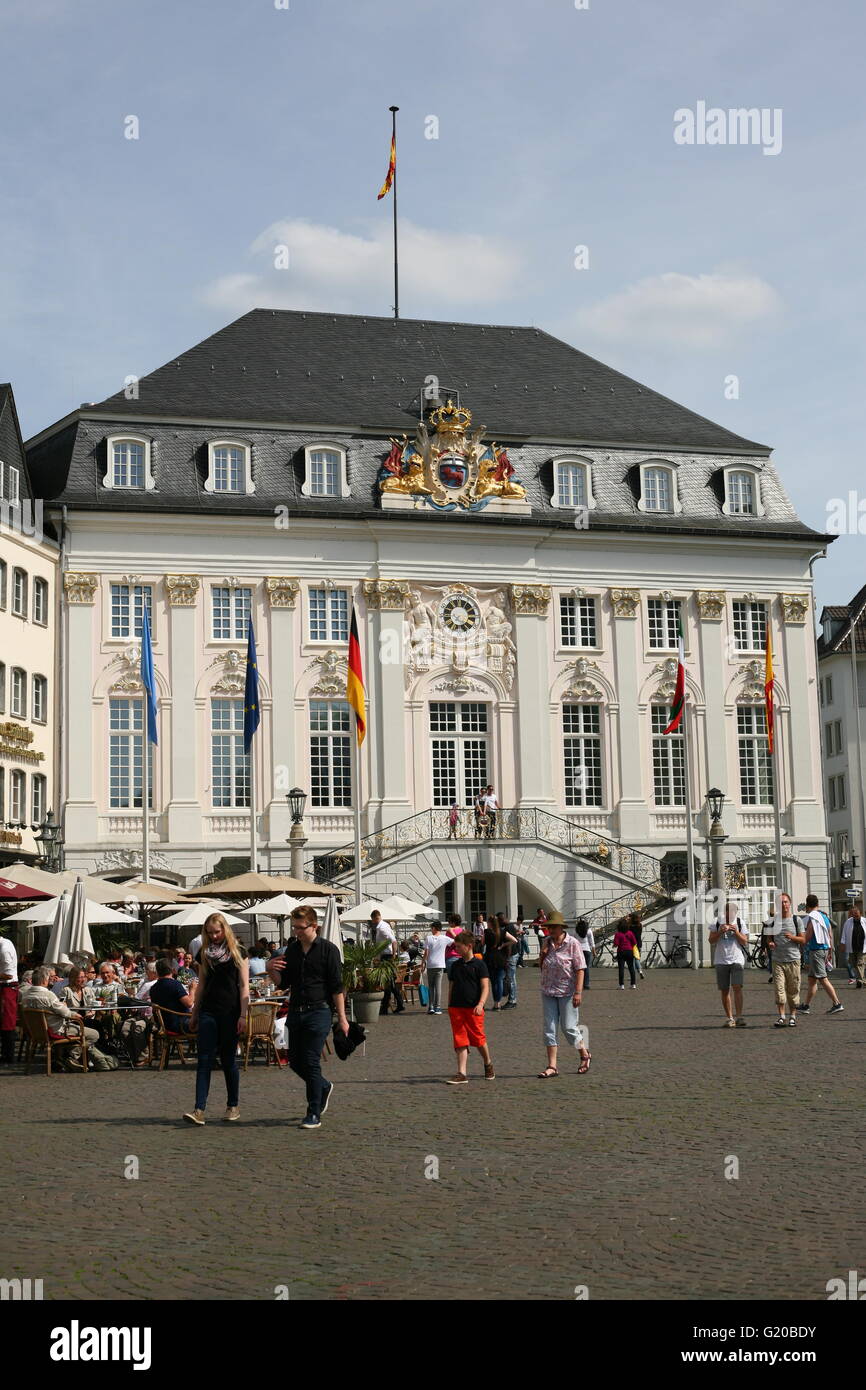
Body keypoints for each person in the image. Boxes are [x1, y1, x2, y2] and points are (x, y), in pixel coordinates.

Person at [266, 905, 349, 1129]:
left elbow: (336, 986)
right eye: (294, 927)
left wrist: (342, 1018)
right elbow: (283, 983)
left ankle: (313, 1112)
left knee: (311, 1061)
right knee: (294, 1060)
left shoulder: (328, 950)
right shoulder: (291, 950)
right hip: (296, 1010)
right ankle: (322, 1086)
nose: (296, 932)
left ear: (314, 926)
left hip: (319, 1010)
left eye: (300, 928)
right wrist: (269, 968)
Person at [184, 913, 250, 1126]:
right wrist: (195, 1012)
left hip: (230, 1011)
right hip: (209, 1011)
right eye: (210, 933)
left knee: (228, 1060)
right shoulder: (204, 953)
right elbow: (201, 985)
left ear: (225, 929)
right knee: (204, 1060)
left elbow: (244, 985)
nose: (213, 936)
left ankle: (233, 1105)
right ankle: (199, 1109)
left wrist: (243, 1014)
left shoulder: (238, 951)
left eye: (217, 932)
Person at [538, 912, 591, 1077]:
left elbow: (580, 969)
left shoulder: (573, 943)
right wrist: (543, 954)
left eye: (553, 927)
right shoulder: (546, 942)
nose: (551, 930)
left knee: (568, 1027)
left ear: (561, 927)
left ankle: (584, 1054)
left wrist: (578, 992)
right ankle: (552, 1066)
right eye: (549, 927)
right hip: (548, 991)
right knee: (549, 1029)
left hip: (567, 992)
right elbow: (541, 967)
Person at [20, 965, 99, 1069]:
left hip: (36, 1032)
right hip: (56, 1030)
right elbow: (66, 1013)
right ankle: (71, 1056)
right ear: (44, 980)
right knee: (94, 1034)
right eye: (48, 979)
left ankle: (63, 1057)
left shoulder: (25, 995)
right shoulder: (48, 995)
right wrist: (75, 1015)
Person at [445, 932, 494, 1084]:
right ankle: (462, 1073)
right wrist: (449, 1005)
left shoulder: (480, 965)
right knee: (460, 1040)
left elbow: (485, 986)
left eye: (459, 947)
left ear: (469, 946)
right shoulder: (455, 965)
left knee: (478, 1039)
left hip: (473, 1008)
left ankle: (487, 1063)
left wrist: (481, 1004)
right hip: (456, 1007)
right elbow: (451, 986)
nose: (456, 949)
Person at [799, 894, 844, 1015]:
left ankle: (837, 1003)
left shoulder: (812, 917)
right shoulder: (823, 916)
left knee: (823, 978)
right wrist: (830, 950)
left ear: (807, 905)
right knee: (812, 980)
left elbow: (808, 936)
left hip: (816, 950)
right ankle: (806, 1005)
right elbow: (830, 934)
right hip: (823, 949)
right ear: (817, 904)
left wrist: (798, 940)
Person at [766, 892, 805, 1027]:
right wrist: (770, 943)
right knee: (779, 989)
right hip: (778, 960)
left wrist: (793, 938)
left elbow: (803, 939)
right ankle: (781, 1016)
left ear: (790, 903)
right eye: (781, 902)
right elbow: (768, 938)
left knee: (793, 989)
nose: (784, 905)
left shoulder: (797, 920)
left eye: (785, 902)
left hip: (793, 960)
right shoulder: (772, 922)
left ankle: (793, 1016)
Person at [708, 901, 749, 1027]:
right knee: (724, 990)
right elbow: (710, 940)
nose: (730, 914)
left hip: (737, 959)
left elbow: (745, 942)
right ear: (724, 912)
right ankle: (729, 1018)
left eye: (733, 912)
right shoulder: (716, 921)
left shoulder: (740, 922)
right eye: (728, 911)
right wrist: (720, 932)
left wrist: (736, 932)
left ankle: (739, 1016)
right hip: (721, 960)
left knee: (737, 987)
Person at [150, 958, 194, 1030]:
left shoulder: (153, 988)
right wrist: (192, 989)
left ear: (157, 972)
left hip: (163, 1026)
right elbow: (189, 1003)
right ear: (172, 970)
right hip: (180, 1025)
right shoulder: (175, 984)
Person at [375, 917, 405, 1015]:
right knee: (389, 983)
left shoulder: (382, 928)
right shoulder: (385, 926)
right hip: (386, 956)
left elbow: (394, 941)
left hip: (387, 957)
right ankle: (387, 1007)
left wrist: (394, 955)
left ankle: (388, 1007)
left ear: (375, 918)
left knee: (388, 983)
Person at [422, 921, 448, 1015]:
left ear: (434, 928)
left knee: (431, 987)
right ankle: (438, 1007)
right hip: (440, 965)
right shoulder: (445, 938)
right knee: (438, 987)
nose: (431, 929)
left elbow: (426, 953)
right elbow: (455, 940)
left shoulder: (428, 938)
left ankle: (431, 1007)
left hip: (431, 964)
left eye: (431, 928)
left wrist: (423, 963)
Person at [484, 918, 508, 1011]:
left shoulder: (487, 932)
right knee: (500, 980)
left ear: (490, 923)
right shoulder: (502, 932)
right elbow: (514, 940)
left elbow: (482, 943)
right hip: (500, 958)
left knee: (494, 982)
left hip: (490, 958)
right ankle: (499, 1003)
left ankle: (496, 1004)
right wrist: (503, 945)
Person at [840, 904, 865, 987]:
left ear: (860, 914)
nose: (855, 917)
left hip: (862, 947)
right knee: (854, 964)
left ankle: (860, 981)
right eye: (854, 915)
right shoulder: (848, 922)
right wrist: (843, 943)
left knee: (859, 964)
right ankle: (863, 980)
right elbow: (844, 933)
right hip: (852, 947)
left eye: (857, 915)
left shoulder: (865, 921)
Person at [614, 918, 638, 989]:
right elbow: (634, 942)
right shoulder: (630, 933)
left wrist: (614, 945)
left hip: (621, 952)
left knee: (621, 969)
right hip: (629, 951)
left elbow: (616, 944)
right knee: (631, 968)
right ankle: (633, 984)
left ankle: (621, 985)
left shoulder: (618, 934)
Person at [575, 919, 594, 990]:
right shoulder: (588, 931)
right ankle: (586, 984)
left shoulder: (576, 931)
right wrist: (594, 951)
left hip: (578, 950)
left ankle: (578, 983)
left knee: (578, 968)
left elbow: (574, 941)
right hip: (587, 950)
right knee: (587, 968)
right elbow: (592, 942)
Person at [626, 911, 646, 982]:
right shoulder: (640, 925)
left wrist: (627, 920)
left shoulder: (630, 926)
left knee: (632, 960)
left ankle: (632, 975)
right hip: (638, 943)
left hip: (631, 944)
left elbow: (626, 930)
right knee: (637, 958)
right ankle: (640, 971)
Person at [444, 914, 463, 979]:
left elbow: (447, 944)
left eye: (449, 922)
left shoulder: (449, 931)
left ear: (453, 922)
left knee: (452, 981)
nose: (449, 924)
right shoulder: (462, 931)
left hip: (451, 956)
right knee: (460, 980)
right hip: (461, 957)